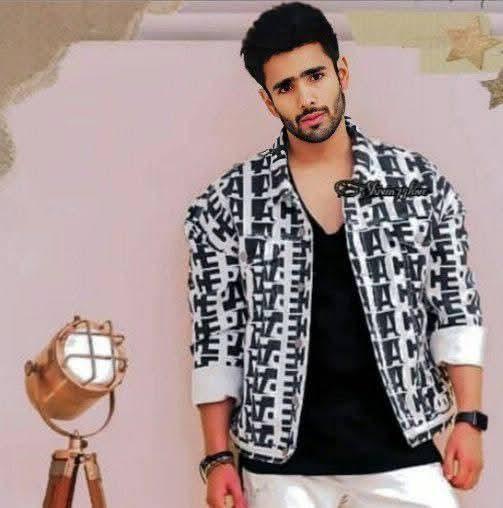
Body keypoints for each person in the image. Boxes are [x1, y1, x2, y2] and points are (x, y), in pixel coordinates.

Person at [183, 3, 488, 507]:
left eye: (315, 76)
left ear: (341, 72)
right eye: (285, 87)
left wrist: (469, 419)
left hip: (402, 442)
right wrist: (217, 458)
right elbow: (216, 336)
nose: (306, 98)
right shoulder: (227, 204)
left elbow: (455, 304)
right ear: (268, 101)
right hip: (280, 460)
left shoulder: (415, 183)